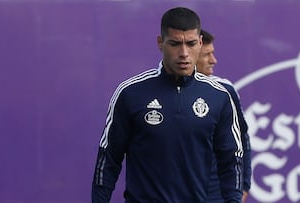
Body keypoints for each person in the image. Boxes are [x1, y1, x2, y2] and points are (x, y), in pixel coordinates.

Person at [91, 7, 243, 203]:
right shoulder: (130, 93)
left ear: (200, 43)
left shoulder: (219, 96)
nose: (184, 53)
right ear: (160, 43)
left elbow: (232, 161)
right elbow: (108, 158)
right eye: (175, 44)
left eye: (191, 44)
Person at [196, 29, 252, 203]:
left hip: (217, 196)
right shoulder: (159, 94)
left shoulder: (224, 91)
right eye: (207, 55)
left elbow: (242, 141)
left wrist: (243, 185)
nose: (213, 60)